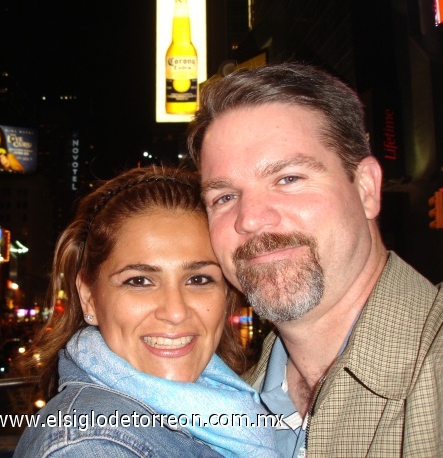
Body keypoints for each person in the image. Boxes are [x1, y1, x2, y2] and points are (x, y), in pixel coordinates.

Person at [186, 62, 443, 457]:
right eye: (224, 197)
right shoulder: (220, 417)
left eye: (288, 178)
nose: (251, 218)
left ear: (366, 188)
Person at [14, 166, 279, 457]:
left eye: (198, 279)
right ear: (89, 297)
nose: (176, 312)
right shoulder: (91, 445)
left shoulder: (225, 398)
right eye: (139, 281)